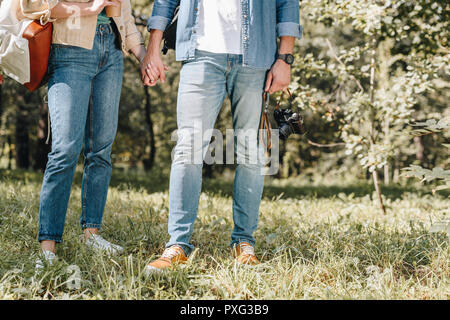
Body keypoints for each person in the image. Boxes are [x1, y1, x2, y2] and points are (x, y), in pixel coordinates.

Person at [140, 0, 302, 273]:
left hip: (255, 57)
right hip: (200, 52)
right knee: (187, 150)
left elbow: (287, 3)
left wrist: (284, 59)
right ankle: (177, 245)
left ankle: (244, 243)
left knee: (251, 153)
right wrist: (153, 49)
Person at [18, 0, 146, 270]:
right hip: (69, 50)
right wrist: (87, 9)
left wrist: (144, 57)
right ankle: (47, 247)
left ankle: (92, 234)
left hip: (111, 50)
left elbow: (125, 15)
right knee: (65, 150)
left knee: (101, 149)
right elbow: (31, 5)